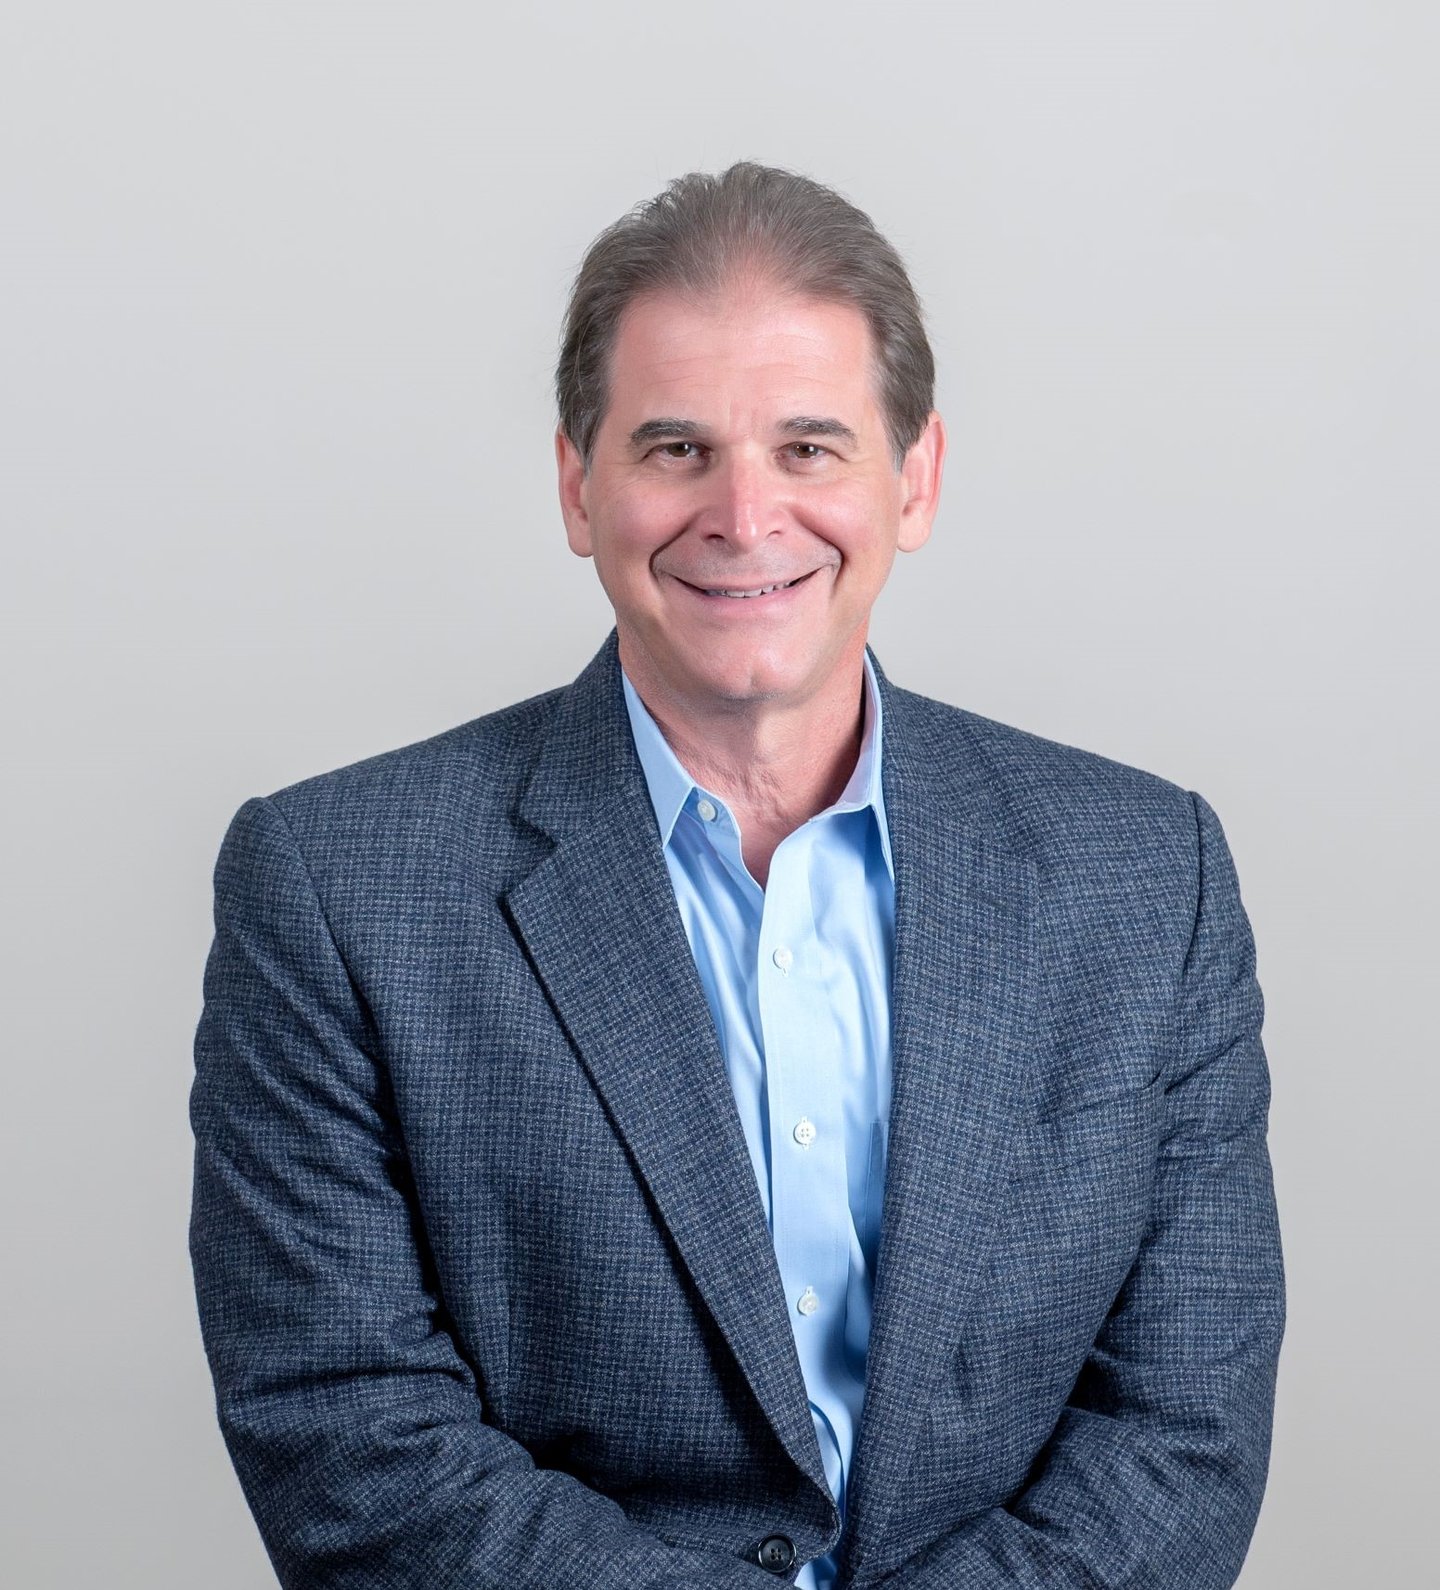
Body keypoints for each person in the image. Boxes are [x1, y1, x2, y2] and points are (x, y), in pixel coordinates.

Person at [189, 161, 1284, 1589]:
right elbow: (347, 1434)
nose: (745, 514)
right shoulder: (333, 890)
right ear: (580, 485)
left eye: (812, 446)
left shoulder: (1150, 877)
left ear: (918, 478)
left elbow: (1183, 1426)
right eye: (675, 448)